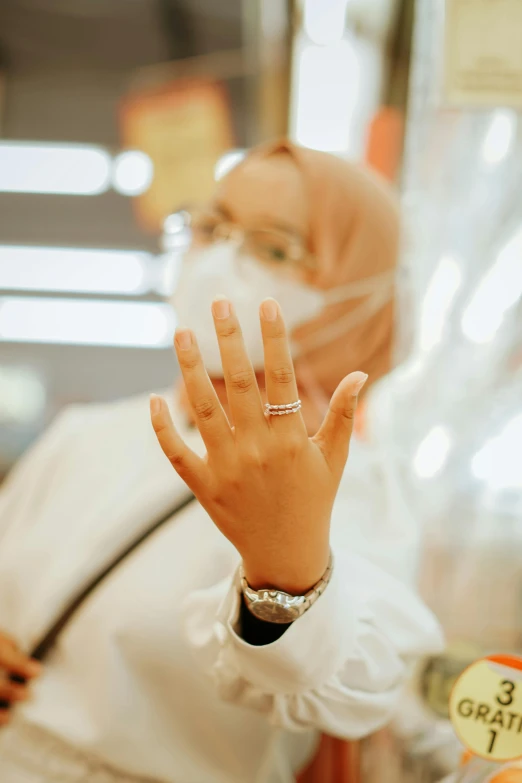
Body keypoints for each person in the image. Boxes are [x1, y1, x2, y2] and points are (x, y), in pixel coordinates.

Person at [0, 140, 442, 782]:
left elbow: (357, 680)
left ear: (354, 296)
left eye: (273, 247)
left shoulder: (353, 486)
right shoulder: (89, 434)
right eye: (212, 227)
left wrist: (286, 577)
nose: (219, 259)